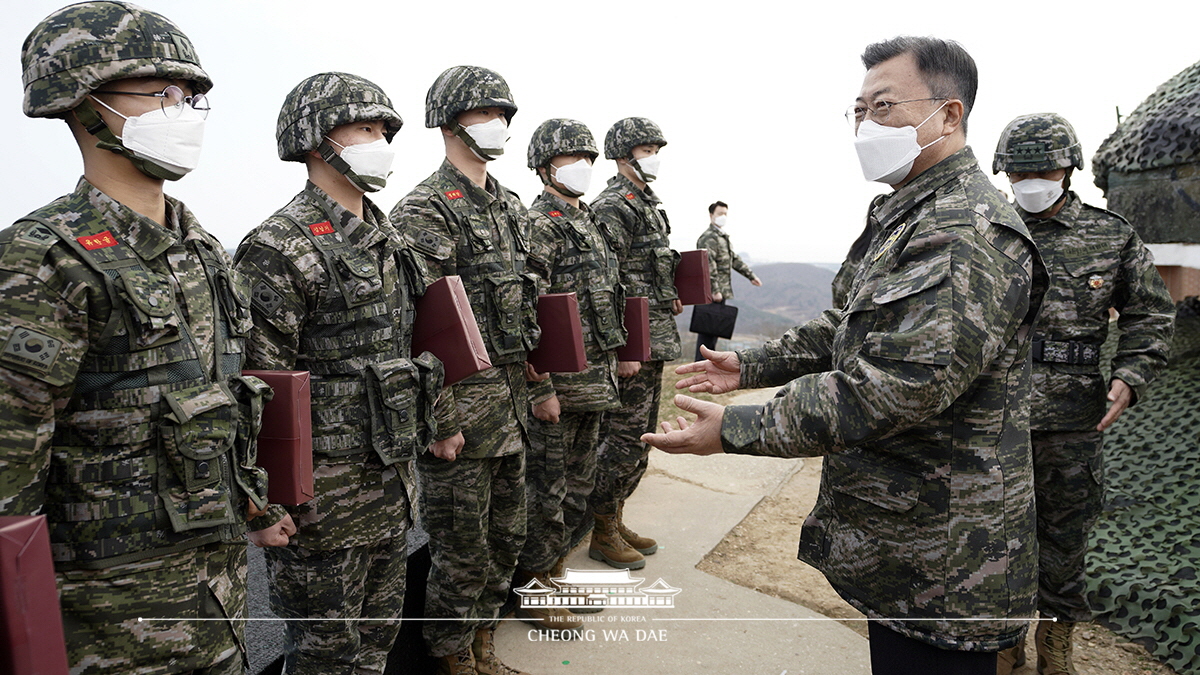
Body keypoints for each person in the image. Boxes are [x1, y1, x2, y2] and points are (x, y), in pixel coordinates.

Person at [642, 36, 1046, 674]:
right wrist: (751, 364)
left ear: (949, 115)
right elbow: (850, 323)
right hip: (905, 540)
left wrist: (740, 428)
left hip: (942, 557)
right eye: (858, 110)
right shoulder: (911, 213)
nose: (865, 124)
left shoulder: (962, 231)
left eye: (883, 107)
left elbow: (892, 385)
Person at [0, 3, 292, 673]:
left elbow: (225, 407)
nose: (182, 110)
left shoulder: (207, 254)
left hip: (218, 602)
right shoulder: (43, 262)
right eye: (160, 94)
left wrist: (255, 505)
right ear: (87, 104)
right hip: (108, 629)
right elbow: (9, 483)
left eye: (190, 97)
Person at [235, 72, 449, 675]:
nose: (379, 139)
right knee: (325, 657)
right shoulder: (280, 246)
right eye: (364, 127)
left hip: (390, 488)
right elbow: (259, 385)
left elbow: (419, 347)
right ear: (315, 139)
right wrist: (266, 502)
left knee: (377, 642)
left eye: (385, 129)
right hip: (320, 509)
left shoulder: (391, 241)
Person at [991, 113, 1175, 675]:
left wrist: (1131, 375)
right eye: (1018, 173)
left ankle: (1055, 649)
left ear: (1069, 166)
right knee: (996, 539)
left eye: (1042, 170)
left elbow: (1151, 313)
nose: (1030, 182)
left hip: (1072, 423)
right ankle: (1002, 646)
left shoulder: (1110, 234)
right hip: (992, 419)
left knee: (1064, 542)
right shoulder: (986, 229)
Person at [391, 65, 536, 675]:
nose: (498, 125)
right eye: (484, 114)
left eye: (504, 114)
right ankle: (452, 657)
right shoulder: (425, 209)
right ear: (450, 124)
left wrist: (541, 381)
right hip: (461, 421)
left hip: (512, 409)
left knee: (506, 539)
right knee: (460, 551)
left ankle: (481, 644)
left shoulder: (508, 204)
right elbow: (417, 327)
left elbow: (530, 305)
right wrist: (441, 419)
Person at [517, 118, 624, 627]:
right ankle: (536, 591)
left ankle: (556, 576)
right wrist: (541, 386)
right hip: (558, 388)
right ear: (543, 168)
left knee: (578, 489)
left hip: (594, 382)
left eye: (587, 157)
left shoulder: (590, 221)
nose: (581, 167)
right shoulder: (539, 223)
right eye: (568, 159)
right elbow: (527, 309)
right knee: (547, 493)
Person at [588, 117, 682, 570]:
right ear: (624, 154)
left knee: (640, 439)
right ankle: (601, 530)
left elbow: (648, 268)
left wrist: (671, 291)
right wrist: (624, 347)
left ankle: (616, 515)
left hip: (657, 337)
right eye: (647, 149)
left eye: (657, 148)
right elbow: (607, 280)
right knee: (622, 440)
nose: (655, 156)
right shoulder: (612, 205)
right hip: (633, 344)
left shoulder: (647, 203)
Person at [693, 201, 762, 360]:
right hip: (712, 292)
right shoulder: (709, 238)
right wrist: (714, 289)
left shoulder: (722, 237)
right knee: (707, 330)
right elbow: (708, 265)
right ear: (711, 215)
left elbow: (733, 259)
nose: (723, 217)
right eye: (720, 214)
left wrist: (751, 276)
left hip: (721, 291)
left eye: (725, 214)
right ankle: (701, 362)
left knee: (714, 329)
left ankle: (709, 361)